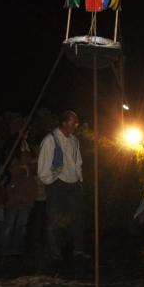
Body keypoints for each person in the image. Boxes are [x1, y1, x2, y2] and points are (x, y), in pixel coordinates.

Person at [37, 110, 86, 263]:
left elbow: (78, 161)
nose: (75, 126)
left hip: (73, 184)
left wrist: (79, 178)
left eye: (76, 123)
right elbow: (43, 165)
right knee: (55, 219)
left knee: (77, 218)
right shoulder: (50, 140)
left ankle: (77, 250)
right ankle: (54, 253)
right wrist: (51, 180)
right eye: (73, 123)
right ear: (64, 123)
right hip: (57, 184)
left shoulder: (74, 140)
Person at [1, 152, 38, 256]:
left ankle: (17, 250)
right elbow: (10, 185)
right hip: (13, 203)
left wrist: (29, 201)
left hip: (25, 204)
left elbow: (33, 186)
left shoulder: (31, 173)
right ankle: (4, 250)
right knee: (9, 226)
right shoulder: (14, 170)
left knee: (21, 227)